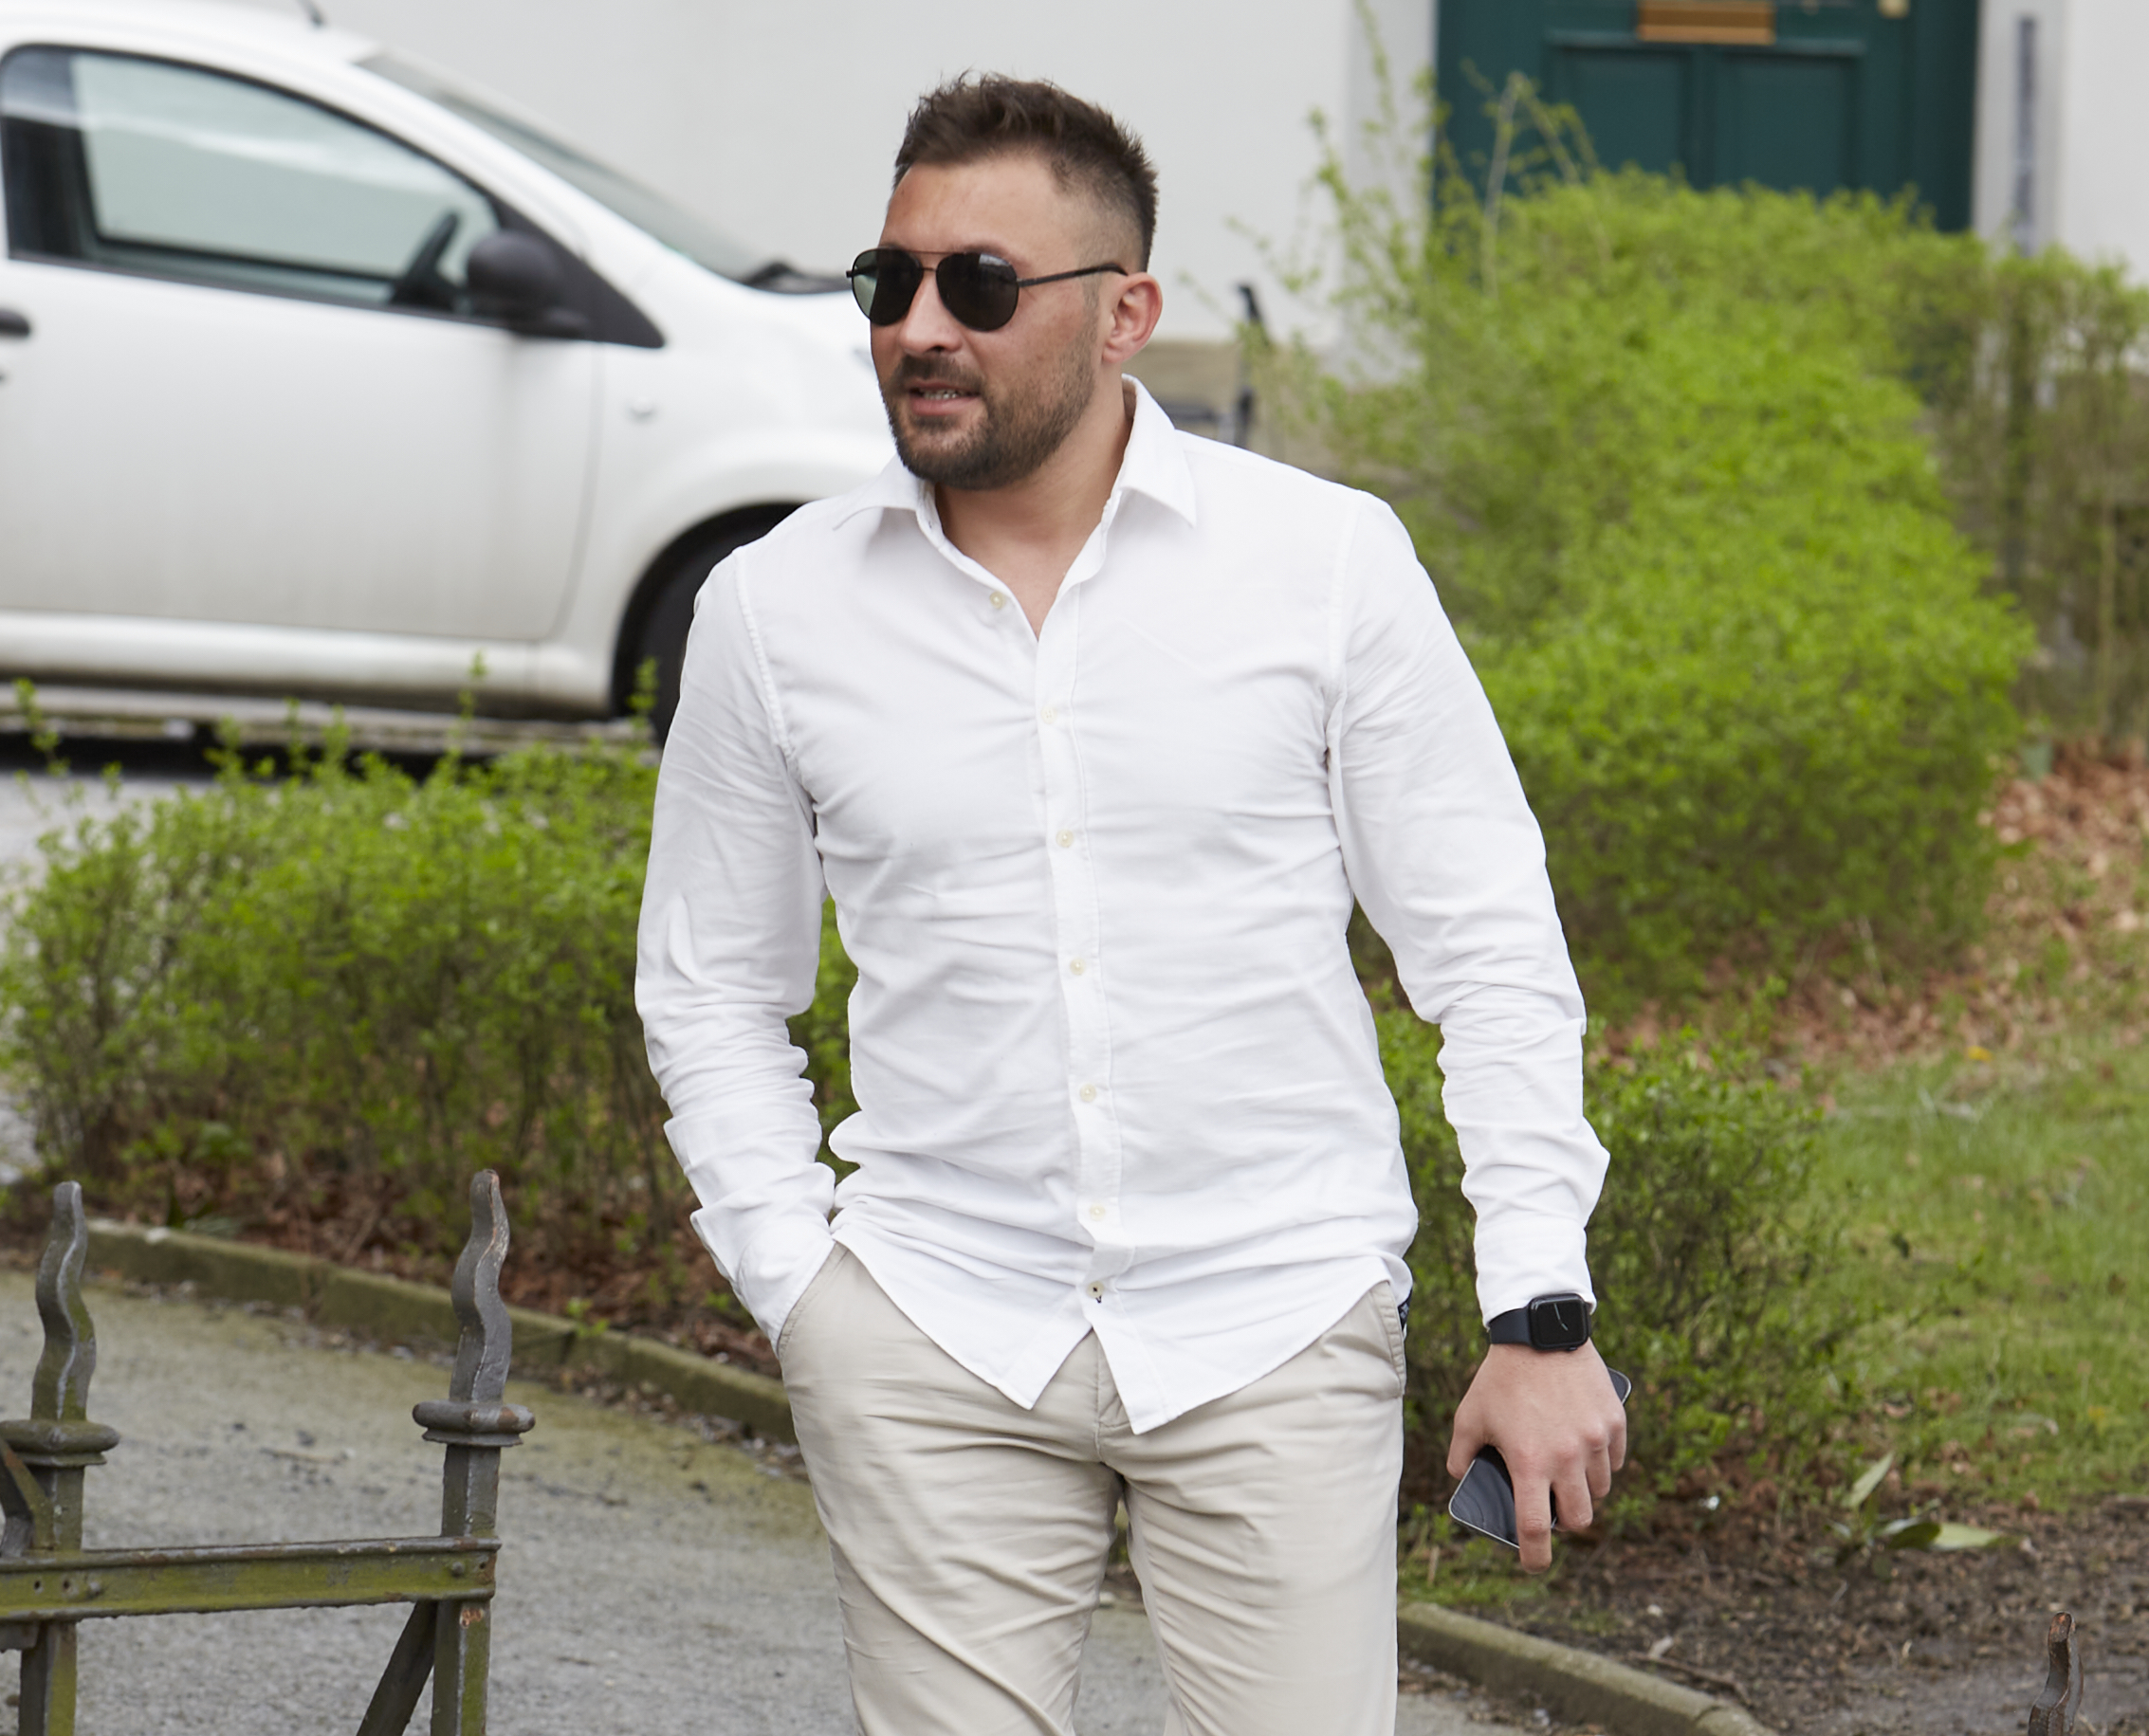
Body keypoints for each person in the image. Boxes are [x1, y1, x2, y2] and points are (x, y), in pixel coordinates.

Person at [634, 73, 1625, 1736]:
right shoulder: (770, 610)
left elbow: (1490, 952)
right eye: (890, 282)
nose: (918, 329)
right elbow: (709, 985)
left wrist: (1537, 1311)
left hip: (1274, 1326)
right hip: (930, 1332)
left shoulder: (1323, 565)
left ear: (1125, 315)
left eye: (980, 286)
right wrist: (800, 1287)